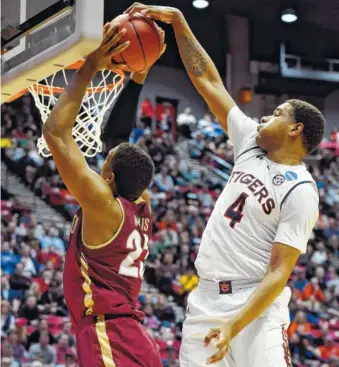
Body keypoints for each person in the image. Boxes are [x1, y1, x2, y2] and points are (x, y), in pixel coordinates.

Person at [126, 3, 326, 366]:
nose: (265, 115)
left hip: (255, 310)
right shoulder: (249, 140)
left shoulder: (301, 190)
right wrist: (179, 25)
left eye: (278, 113)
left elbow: (279, 273)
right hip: (205, 301)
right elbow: (208, 82)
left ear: (296, 131)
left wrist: (235, 325)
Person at [41, 14, 165, 367]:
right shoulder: (140, 203)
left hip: (111, 336)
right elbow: (118, 141)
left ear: (108, 178)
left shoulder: (104, 206)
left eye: (103, 163)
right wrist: (138, 76)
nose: (99, 162)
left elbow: (55, 134)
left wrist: (90, 66)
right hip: (132, 338)